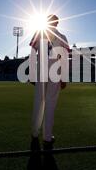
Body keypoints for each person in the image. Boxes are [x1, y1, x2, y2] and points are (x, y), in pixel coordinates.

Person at [29, 14, 69, 151]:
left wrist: (32, 74)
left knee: (39, 101)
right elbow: (64, 60)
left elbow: (32, 54)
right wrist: (64, 78)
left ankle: (35, 132)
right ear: (57, 23)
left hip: (41, 71)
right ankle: (47, 137)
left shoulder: (38, 33)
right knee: (50, 103)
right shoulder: (62, 37)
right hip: (55, 73)